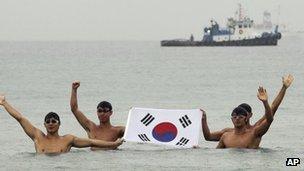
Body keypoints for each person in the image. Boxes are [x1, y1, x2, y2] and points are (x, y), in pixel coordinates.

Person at [0, 95, 123, 154]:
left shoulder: (68, 139)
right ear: (44, 124)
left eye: (54, 121)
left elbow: (92, 142)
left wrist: (113, 144)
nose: (50, 123)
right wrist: (4, 103)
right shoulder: (38, 136)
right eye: (47, 121)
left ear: (59, 124)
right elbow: (20, 118)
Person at [201, 74, 294, 142]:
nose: (238, 117)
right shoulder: (227, 133)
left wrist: (284, 88)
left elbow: (272, 109)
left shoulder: (255, 130)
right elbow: (208, 137)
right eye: (236, 115)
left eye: (242, 115)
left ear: (249, 116)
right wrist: (203, 119)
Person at [70, 81, 125, 150]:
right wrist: (74, 90)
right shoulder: (91, 127)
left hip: (111, 159)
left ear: (111, 113)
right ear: (97, 112)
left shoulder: (118, 130)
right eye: (100, 111)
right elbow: (74, 109)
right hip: (93, 159)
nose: (102, 113)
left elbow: (133, 131)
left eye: (105, 111)